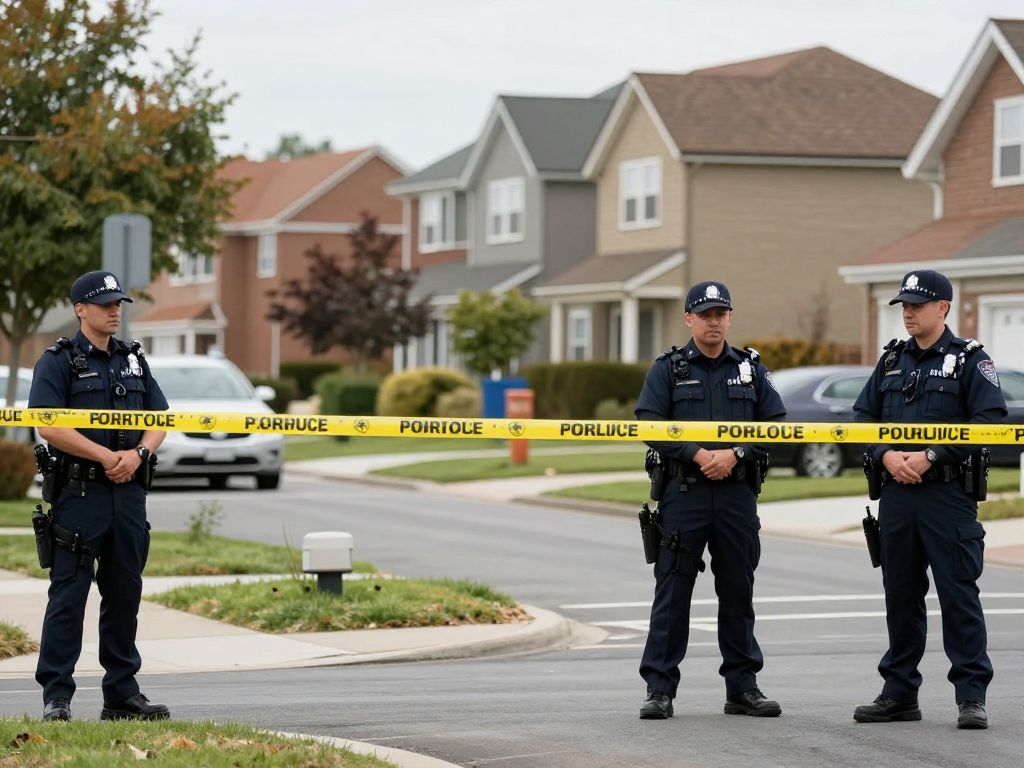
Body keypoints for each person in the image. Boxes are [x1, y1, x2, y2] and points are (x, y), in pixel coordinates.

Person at [852, 269, 1006, 730]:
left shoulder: (969, 360)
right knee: (900, 596)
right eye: (904, 305)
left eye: (917, 304)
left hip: (947, 496)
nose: (908, 312)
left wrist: (931, 455)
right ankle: (899, 693)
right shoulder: (892, 361)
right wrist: (887, 454)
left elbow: (990, 420)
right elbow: (863, 416)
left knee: (958, 596)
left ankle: (971, 696)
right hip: (897, 496)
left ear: (943, 307)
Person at [634, 280, 786, 720]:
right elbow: (648, 422)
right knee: (673, 592)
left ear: (730, 318)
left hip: (737, 494)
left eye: (721, 314)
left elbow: (774, 422)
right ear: (689, 319)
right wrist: (696, 454)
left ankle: (743, 688)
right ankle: (659, 689)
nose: (713, 321)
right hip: (685, 494)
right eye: (705, 315)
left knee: (738, 591)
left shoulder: (751, 368)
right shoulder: (669, 367)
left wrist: (735, 453)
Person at [29, 270, 171, 722]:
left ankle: (122, 694)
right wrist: (105, 456)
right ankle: (57, 696)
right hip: (80, 494)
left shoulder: (132, 360)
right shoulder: (59, 361)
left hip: (128, 496)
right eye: (105, 304)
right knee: (68, 596)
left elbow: (160, 417)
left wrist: (137, 453)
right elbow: (47, 423)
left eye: (118, 304)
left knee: (124, 594)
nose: (114, 311)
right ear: (80, 310)